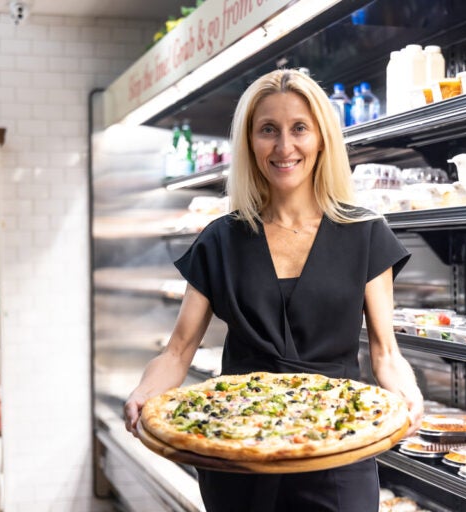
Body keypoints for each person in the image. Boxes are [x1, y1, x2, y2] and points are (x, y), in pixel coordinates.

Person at [124, 68, 424, 512]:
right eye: (268, 130)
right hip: (237, 449)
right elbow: (177, 351)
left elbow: (385, 353)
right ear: (249, 143)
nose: (285, 147)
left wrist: (409, 393)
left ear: (322, 138)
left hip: (338, 446)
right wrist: (143, 393)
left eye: (299, 128)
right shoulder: (219, 239)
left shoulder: (365, 233)